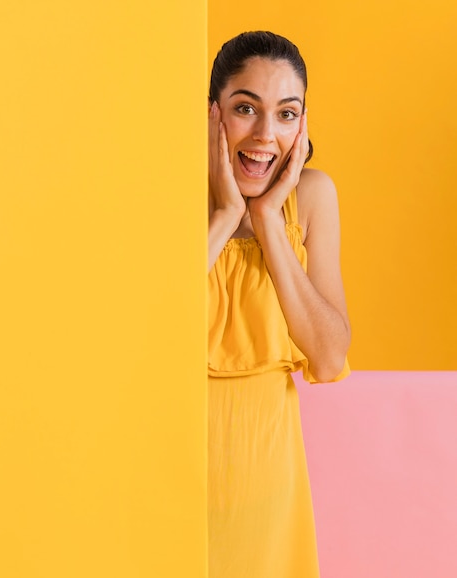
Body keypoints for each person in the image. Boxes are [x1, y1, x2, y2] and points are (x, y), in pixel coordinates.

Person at [207, 31, 351, 577]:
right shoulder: (168, 195)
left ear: (302, 125)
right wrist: (224, 217)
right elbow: (142, 337)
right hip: (159, 466)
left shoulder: (311, 198)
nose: (266, 135)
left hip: (264, 482)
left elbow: (330, 357)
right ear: (213, 113)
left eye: (287, 115)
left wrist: (268, 220)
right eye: (246, 108)